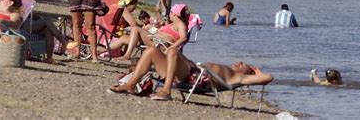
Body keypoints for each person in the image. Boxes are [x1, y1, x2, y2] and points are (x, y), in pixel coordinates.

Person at [108, 46, 273, 101]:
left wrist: (257, 72)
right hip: (192, 71)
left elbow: (269, 78)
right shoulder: (231, 70)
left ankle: (166, 91)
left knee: (173, 51)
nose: (239, 62)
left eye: (243, 64)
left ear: (248, 71)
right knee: (152, 50)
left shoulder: (240, 77)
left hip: (196, 78)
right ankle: (130, 85)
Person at [115, 4, 189, 61]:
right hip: (155, 39)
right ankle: (104, 51)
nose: (169, 14)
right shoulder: (174, 23)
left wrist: (171, 48)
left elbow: (184, 38)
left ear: (175, 14)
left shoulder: (180, 24)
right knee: (125, 37)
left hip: (161, 44)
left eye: (170, 12)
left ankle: (127, 55)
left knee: (135, 29)